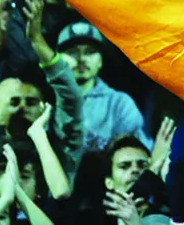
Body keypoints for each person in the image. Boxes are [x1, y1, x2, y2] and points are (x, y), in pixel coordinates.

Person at [0, 0, 84, 194]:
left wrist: (38, 42)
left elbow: (71, 98)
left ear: (44, 109)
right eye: (13, 102)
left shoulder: (59, 147)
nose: (22, 107)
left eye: (31, 102)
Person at [57, 21, 150, 153]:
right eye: (72, 52)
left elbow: (135, 155)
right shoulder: (45, 99)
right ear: (58, 59)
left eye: (90, 52)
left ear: (100, 61)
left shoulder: (119, 104)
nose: (81, 58)